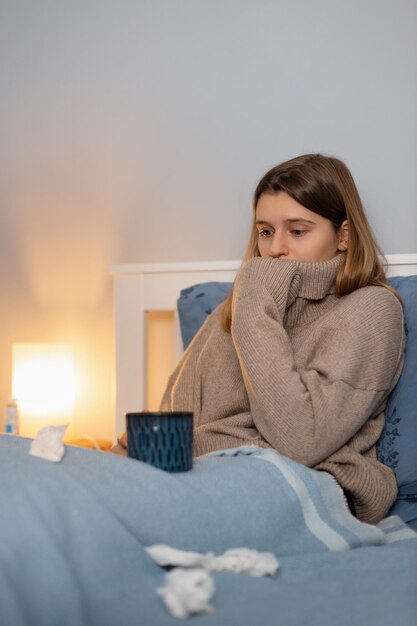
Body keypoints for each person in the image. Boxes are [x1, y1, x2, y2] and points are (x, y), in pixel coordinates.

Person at [113, 153, 404, 525]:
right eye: (265, 231)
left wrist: (254, 294)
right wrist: (139, 453)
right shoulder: (234, 309)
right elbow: (178, 417)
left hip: (312, 484)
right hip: (208, 475)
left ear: (343, 235)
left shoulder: (371, 308)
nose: (275, 248)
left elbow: (302, 440)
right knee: (62, 476)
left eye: (297, 231)